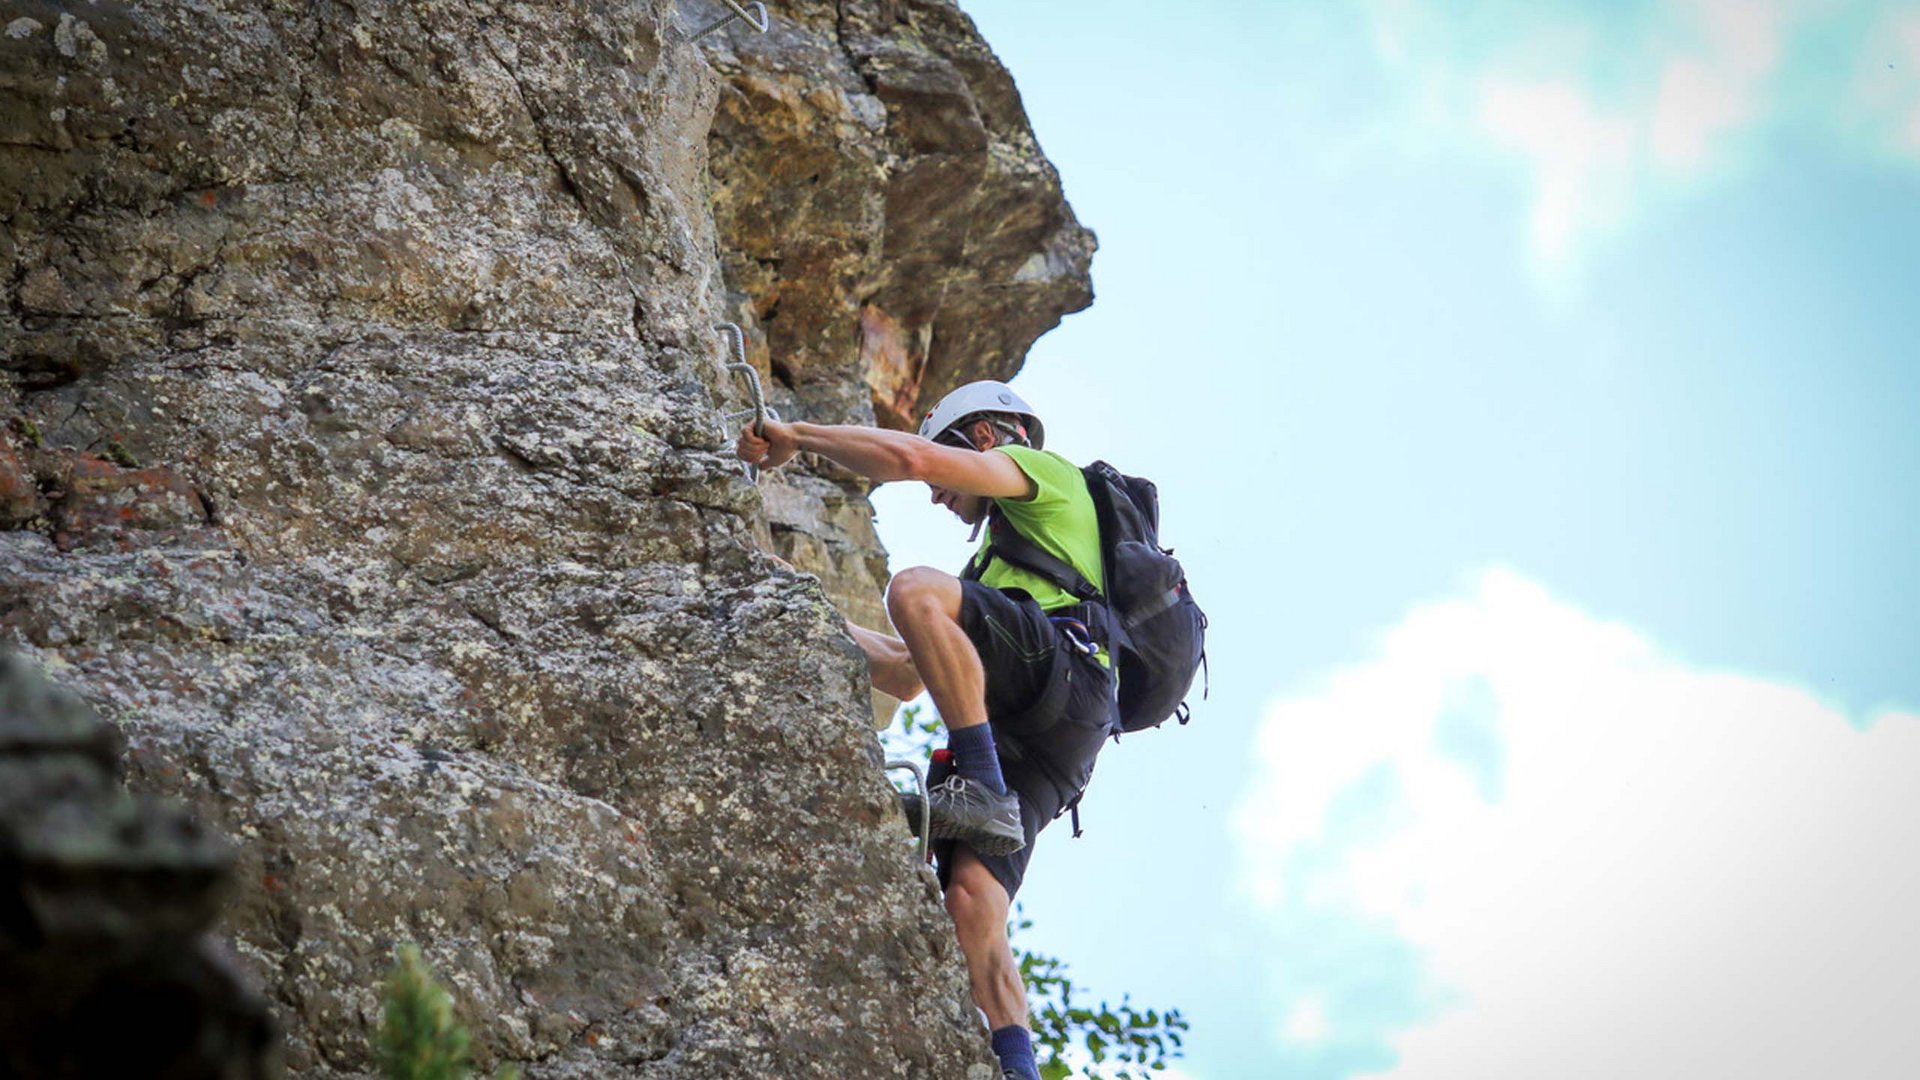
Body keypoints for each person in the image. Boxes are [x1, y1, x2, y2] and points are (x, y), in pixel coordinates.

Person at [736, 380, 1117, 1080]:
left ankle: (979, 784)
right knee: (973, 904)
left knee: (913, 587)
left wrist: (798, 435)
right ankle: (1018, 1066)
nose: (940, 496)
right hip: (1051, 735)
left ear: (983, 437)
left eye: (950, 472)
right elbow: (907, 674)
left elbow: (910, 461)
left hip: (1061, 674)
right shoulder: (1002, 569)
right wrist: (780, 589)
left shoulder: (1043, 473)